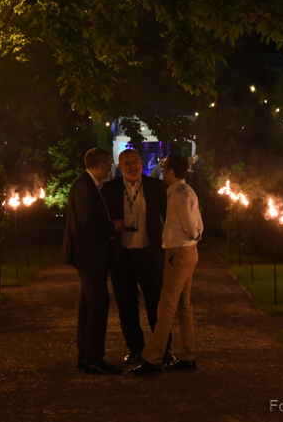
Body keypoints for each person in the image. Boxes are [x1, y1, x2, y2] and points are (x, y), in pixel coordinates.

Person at [131, 153, 203, 375]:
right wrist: (196, 236)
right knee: (183, 306)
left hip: (179, 253)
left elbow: (192, 227)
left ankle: (154, 359)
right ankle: (188, 355)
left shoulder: (179, 195)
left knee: (166, 306)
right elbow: (197, 225)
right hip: (186, 251)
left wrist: (193, 236)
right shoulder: (186, 191)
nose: (162, 171)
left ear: (171, 172)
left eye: (164, 169)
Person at [102, 150, 172, 365]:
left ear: (142, 163)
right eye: (128, 163)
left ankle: (163, 348)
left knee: (156, 304)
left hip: (148, 254)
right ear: (120, 166)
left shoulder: (156, 187)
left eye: (136, 162)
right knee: (126, 305)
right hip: (121, 256)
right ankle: (134, 348)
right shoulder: (110, 189)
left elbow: (169, 219)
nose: (133, 166)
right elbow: (101, 220)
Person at [62, 147, 124, 376]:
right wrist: (113, 227)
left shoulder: (88, 185)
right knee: (98, 304)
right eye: (109, 163)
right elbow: (88, 221)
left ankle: (86, 354)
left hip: (90, 255)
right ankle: (93, 358)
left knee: (89, 305)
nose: (110, 167)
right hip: (89, 256)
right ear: (100, 164)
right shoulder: (84, 187)